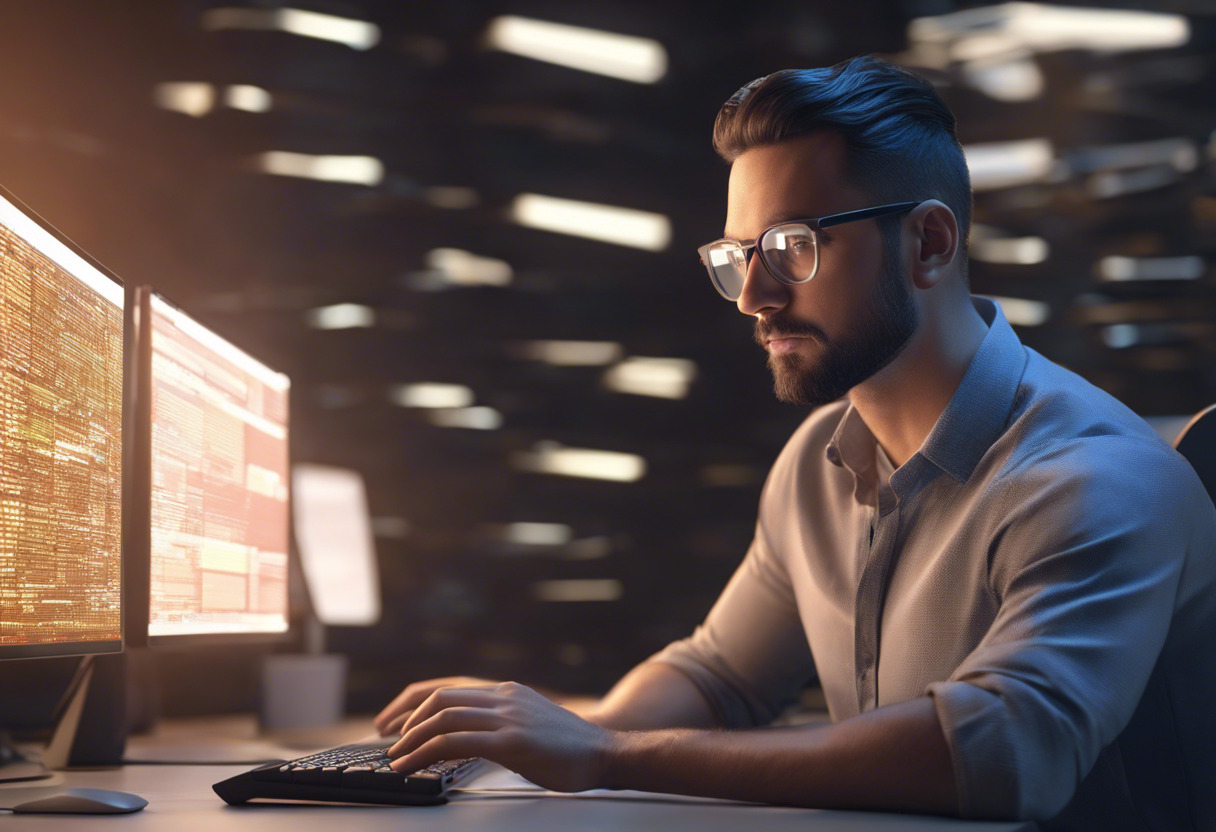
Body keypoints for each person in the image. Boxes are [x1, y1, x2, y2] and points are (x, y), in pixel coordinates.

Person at [373, 56, 1216, 830]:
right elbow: (718, 677)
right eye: (740, 254)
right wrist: (541, 729)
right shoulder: (819, 458)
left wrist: (605, 754)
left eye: (791, 246)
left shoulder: (1096, 478)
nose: (753, 297)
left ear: (928, 243)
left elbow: (1007, 754)